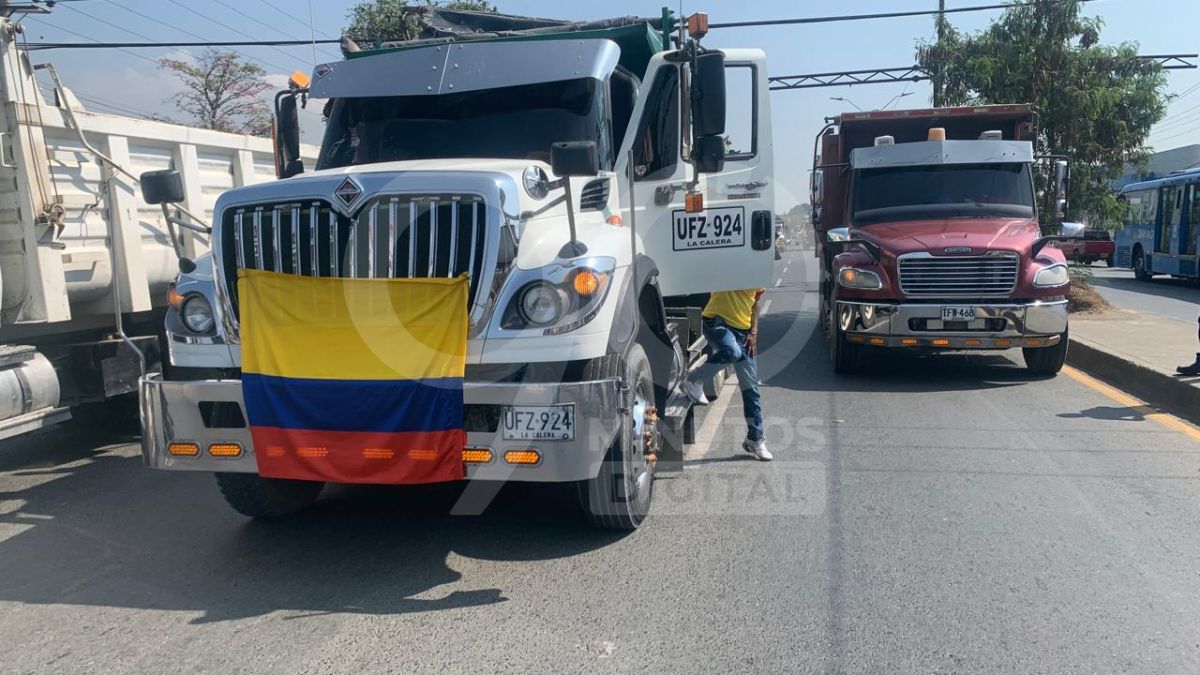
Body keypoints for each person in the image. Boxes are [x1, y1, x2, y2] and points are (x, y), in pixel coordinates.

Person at [679, 289, 772, 461]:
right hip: (717, 322)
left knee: (751, 390)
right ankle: (692, 381)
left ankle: (755, 439)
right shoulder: (728, 263)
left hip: (744, 333)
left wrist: (754, 332)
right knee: (732, 352)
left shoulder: (758, 269)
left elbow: (755, 303)